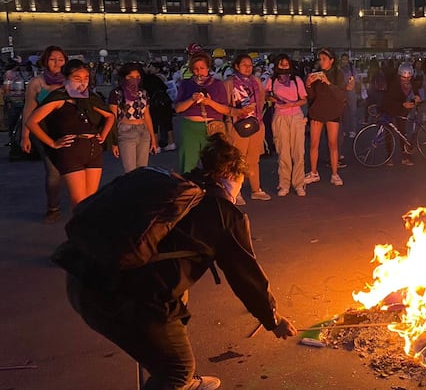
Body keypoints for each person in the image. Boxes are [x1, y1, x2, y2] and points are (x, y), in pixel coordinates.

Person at [62, 133, 298, 390]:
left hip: (80, 272)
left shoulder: (177, 186)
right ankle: (180, 379)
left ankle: (177, 375)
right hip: (118, 299)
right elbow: (246, 276)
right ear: (232, 178)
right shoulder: (224, 214)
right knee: (176, 370)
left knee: (178, 307)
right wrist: (272, 319)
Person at [26, 59, 116, 207]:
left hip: (93, 149)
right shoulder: (59, 98)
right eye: (77, 78)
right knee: (79, 201)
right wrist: (52, 143)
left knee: (92, 200)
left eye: (86, 78)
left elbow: (110, 115)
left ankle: (88, 229)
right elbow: (31, 121)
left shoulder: (91, 98)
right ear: (66, 78)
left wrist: (103, 135)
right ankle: (79, 228)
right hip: (71, 151)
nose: (82, 82)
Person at [20, 46, 68, 223]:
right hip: (44, 131)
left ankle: (81, 204)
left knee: (73, 170)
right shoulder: (37, 83)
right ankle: (53, 208)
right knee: (53, 171)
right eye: (52, 59)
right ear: (45, 61)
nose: (56, 63)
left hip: (67, 130)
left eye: (60, 59)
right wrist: (25, 135)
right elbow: (29, 110)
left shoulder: (70, 80)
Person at [174, 52, 236, 174]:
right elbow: (178, 108)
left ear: (208, 68)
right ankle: (189, 189)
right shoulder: (186, 84)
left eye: (202, 68)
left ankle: (213, 190)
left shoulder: (217, 84)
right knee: (188, 163)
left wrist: (209, 102)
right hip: (190, 127)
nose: (199, 72)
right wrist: (192, 99)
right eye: (195, 69)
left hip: (212, 127)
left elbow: (225, 109)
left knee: (214, 162)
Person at [223, 54, 270, 204]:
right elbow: (225, 106)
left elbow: (261, 99)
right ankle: (235, 191)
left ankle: (256, 189)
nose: (248, 67)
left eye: (250, 65)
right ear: (236, 66)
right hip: (238, 124)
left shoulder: (256, 81)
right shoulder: (229, 83)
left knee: (253, 159)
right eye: (244, 65)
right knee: (237, 158)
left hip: (256, 123)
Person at [266, 54, 308, 196]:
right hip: (280, 118)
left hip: (296, 116)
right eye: (281, 64)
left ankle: (299, 184)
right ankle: (284, 184)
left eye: (286, 64)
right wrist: (273, 99)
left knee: (298, 152)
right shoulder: (272, 81)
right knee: (283, 151)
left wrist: (293, 104)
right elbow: (266, 95)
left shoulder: (296, 80)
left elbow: (304, 99)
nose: (284, 66)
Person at [304, 48, 347, 187]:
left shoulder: (338, 74)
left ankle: (335, 174)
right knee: (314, 144)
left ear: (331, 60)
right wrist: (308, 84)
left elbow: (341, 95)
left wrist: (328, 82)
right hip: (317, 112)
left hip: (333, 112)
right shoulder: (315, 74)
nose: (321, 62)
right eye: (320, 59)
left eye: (324, 59)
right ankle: (313, 172)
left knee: (333, 144)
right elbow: (310, 96)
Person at [108, 62, 158, 173]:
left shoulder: (143, 93)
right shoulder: (116, 93)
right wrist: (113, 141)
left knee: (142, 170)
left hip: (143, 130)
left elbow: (147, 115)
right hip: (126, 130)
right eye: (130, 77)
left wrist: (153, 139)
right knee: (130, 171)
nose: (134, 80)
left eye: (137, 77)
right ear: (124, 77)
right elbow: (113, 117)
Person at [379, 62, 423, 166]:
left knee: (402, 132)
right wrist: (403, 104)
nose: (406, 80)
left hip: (402, 108)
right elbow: (388, 100)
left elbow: (415, 89)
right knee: (389, 133)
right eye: (404, 78)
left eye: (408, 77)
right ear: (399, 75)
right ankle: (389, 157)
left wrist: (417, 96)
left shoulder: (411, 81)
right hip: (390, 107)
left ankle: (405, 156)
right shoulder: (393, 83)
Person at [142, 63, 176, 152]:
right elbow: (164, 87)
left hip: (154, 102)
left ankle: (156, 145)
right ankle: (171, 143)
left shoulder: (145, 79)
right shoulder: (157, 78)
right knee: (168, 122)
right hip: (165, 100)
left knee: (154, 123)